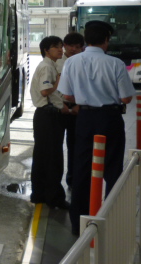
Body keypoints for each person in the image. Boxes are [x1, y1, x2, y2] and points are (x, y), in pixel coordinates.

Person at [58, 21, 135, 235]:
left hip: (84, 119)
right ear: (106, 40)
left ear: (86, 40)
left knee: (82, 168)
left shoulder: (71, 62)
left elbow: (67, 95)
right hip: (110, 118)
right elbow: (126, 98)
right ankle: (110, 219)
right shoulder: (116, 63)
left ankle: (79, 223)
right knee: (112, 168)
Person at [29, 35, 70, 210]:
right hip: (48, 116)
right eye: (56, 47)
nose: (60, 50)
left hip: (44, 115)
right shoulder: (47, 67)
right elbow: (45, 91)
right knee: (53, 157)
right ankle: (54, 198)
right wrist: (58, 83)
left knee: (42, 156)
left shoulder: (49, 65)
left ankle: (39, 194)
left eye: (61, 46)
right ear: (46, 50)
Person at [55, 32, 85, 187]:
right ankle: (55, 182)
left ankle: (72, 179)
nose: (74, 49)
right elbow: (53, 88)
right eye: (71, 46)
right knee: (56, 147)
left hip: (76, 109)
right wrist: (62, 105)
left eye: (78, 47)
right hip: (60, 108)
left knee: (75, 146)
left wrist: (79, 105)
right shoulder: (57, 62)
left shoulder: (82, 62)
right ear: (64, 45)